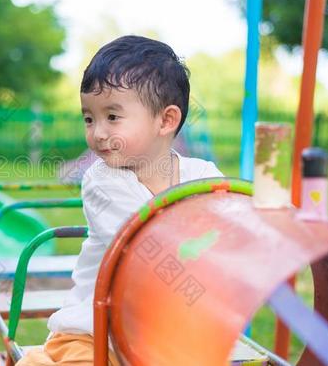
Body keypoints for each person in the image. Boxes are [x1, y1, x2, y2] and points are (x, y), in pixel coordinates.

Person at [17, 35, 223, 365]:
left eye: (112, 117)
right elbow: (145, 248)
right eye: (89, 118)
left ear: (166, 120)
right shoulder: (102, 180)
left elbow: (230, 226)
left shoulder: (202, 174)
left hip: (164, 336)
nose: (98, 133)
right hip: (94, 333)